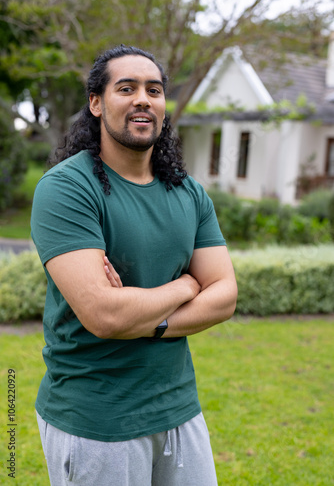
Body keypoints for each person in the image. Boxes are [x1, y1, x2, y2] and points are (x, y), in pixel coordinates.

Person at [31, 44, 238, 486]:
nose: (143, 98)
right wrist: (185, 287)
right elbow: (104, 315)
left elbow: (224, 296)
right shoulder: (66, 189)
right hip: (96, 419)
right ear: (96, 103)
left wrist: (146, 316)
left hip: (179, 408)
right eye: (126, 88)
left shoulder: (188, 192)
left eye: (155, 89)